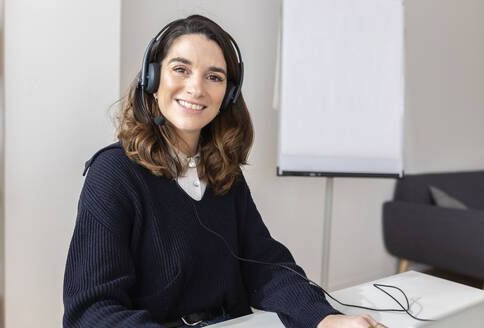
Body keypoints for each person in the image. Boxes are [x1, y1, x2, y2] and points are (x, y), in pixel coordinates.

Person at [63, 14, 387, 328]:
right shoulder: (113, 174)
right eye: (180, 69)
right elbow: (92, 311)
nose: (196, 88)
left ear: (227, 95)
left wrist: (323, 318)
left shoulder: (221, 170)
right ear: (152, 79)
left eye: (214, 76)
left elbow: (263, 264)